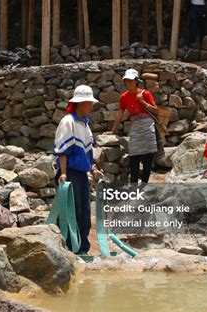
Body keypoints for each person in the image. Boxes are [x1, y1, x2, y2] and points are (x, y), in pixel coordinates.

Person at [54, 85, 102, 255]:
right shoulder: (68, 122)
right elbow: (63, 151)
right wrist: (64, 172)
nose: (91, 106)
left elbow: (86, 152)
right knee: (72, 212)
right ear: (81, 103)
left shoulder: (84, 124)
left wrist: (92, 168)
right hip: (70, 173)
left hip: (81, 173)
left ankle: (82, 249)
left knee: (84, 212)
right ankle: (70, 248)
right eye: (89, 103)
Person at [111, 69, 158, 186]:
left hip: (147, 125)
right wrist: (113, 131)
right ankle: (133, 185)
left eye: (131, 81)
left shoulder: (145, 94)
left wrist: (143, 102)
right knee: (134, 156)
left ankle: (145, 183)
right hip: (135, 125)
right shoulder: (124, 97)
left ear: (136, 81)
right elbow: (120, 114)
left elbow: (156, 110)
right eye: (126, 81)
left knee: (148, 156)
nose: (129, 83)